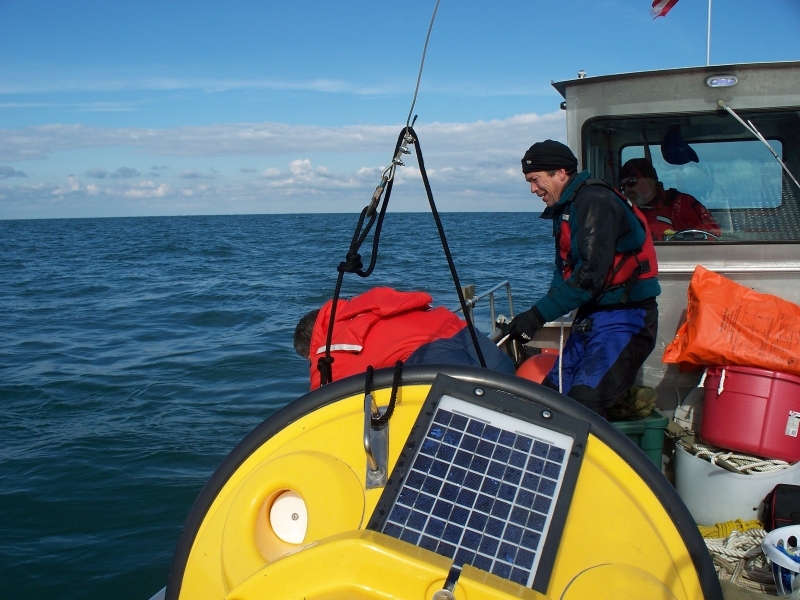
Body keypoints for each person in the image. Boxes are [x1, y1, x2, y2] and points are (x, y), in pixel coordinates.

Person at [506, 140, 661, 417]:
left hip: (626, 319)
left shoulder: (593, 202)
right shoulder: (568, 206)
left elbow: (589, 278)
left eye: (535, 180)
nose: (532, 189)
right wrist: (536, 314)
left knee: (582, 409)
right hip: (592, 319)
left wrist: (536, 316)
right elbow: (564, 270)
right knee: (552, 399)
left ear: (561, 173)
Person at [294, 287, 515, 390]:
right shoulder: (363, 310)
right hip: (477, 342)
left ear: (311, 350)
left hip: (442, 365)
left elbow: (322, 405)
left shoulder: (328, 355)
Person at [619, 158, 721, 241]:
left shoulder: (682, 203)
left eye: (632, 182)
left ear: (650, 181)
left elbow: (712, 231)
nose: (627, 189)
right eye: (623, 187)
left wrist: (681, 238)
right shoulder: (624, 211)